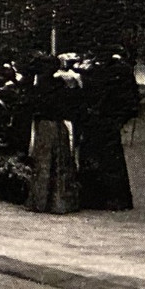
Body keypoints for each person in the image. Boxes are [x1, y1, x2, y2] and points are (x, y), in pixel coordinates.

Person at [77, 46, 141, 210]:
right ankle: (110, 197)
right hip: (105, 119)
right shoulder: (118, 70)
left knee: (104, 158)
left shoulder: (106, 70)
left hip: (103, 118)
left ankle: (101, 197)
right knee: (107, 158)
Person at [24, 55, 82, 214]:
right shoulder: (62, 85)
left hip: (44, 126)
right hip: (58, 125)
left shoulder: (39, 86)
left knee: (43, 163)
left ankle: (40, 201)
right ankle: (59, 201)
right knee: (59, 163)